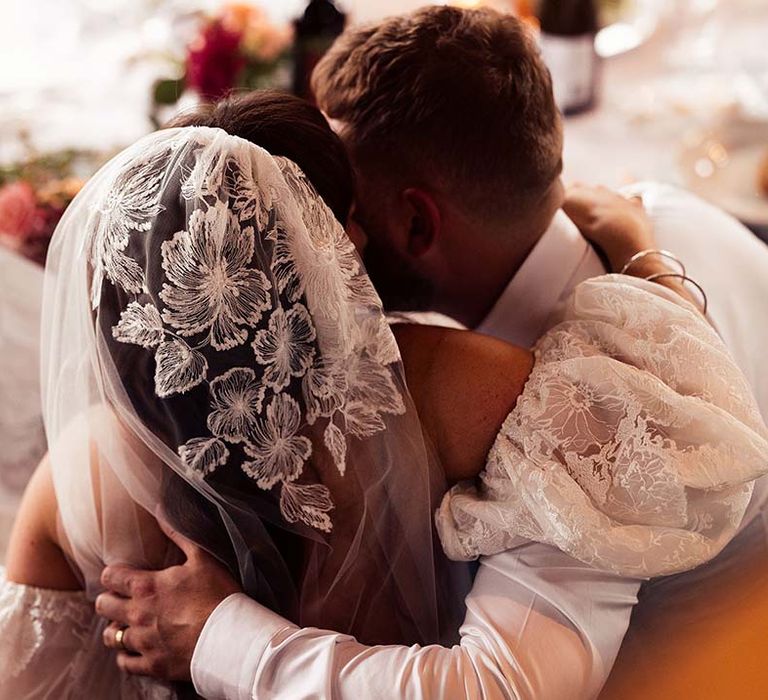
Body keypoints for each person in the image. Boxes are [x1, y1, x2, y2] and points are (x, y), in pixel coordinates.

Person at [96, 7, 768, 699]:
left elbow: (500, 687)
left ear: (416, 222)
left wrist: (221, 640)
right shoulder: (655, 213)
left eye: (337, 201)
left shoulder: (570, 411)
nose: (309, 226)